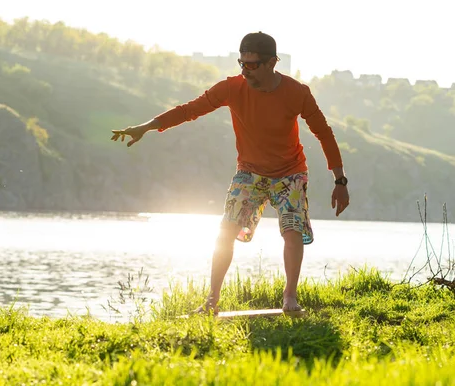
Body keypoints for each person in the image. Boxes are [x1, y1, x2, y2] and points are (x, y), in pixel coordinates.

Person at [111, 31, 350, 313]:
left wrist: (340, 180)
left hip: (290, 172)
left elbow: (323, 133)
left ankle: (290, 298)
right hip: (249, 172)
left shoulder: (297, 93)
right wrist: (146, 127)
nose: (245, 70)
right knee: (226, 230)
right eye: (241, 63)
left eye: (252, 65)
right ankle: (212, 300)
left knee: (291, 230)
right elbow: (189, 110)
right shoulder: (231, 88)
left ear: (272, 62)